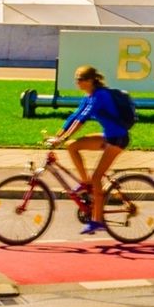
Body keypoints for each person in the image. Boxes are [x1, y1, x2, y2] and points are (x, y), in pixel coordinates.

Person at [49, 64, 130, 235]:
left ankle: (97, 220)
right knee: (72, 146)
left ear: (91, 80)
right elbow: (74, 116)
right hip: (108, 136)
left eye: (81, 79)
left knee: (97, 177)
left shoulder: (100, 95)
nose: (77, 82)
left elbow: (82, 120)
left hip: (118, 139)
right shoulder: (89, 96)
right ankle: (85, 184)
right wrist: (58, 136)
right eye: (76, 79)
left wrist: (62, 138)